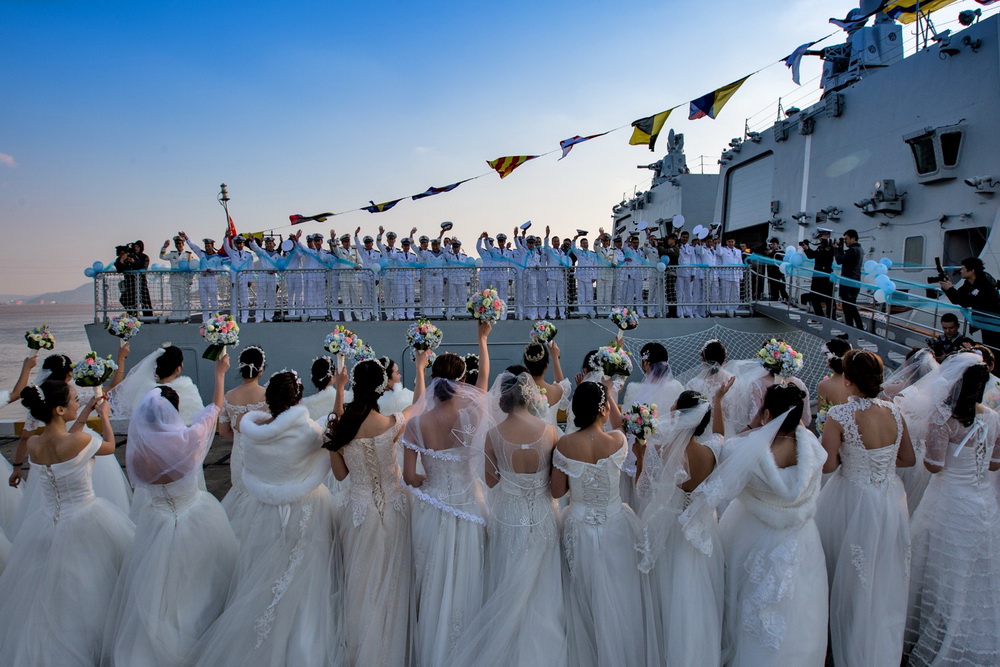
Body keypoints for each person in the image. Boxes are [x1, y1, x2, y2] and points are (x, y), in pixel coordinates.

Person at [190, 370, 344, 666]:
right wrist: (339, 391)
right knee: (308, 580)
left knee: (265, 575)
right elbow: (332, 437)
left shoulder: (253, 434)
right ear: (297, 399)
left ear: (269, 399)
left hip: (266, 511)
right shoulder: (308, 431)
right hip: (306, 509)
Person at [104, 354, 237, 667]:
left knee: (159, 590)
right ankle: (201, 633)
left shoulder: (138, 455)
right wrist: (219, 375)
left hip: (156, 521)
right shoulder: (188, 440)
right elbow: (214, 409)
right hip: (194, 517)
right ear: (174, 411)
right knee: (199, 582)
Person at [682, 383, 829, 665]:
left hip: (752, 534)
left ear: (767, 414)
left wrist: (749, 423)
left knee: (749, 602)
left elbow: (722, 460)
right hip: (801, 538)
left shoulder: (742, 451)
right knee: (800, 605)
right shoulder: (812, 448)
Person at [0, 380, 134, 665]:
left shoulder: (35, 444)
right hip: (85, 516)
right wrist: (104, 417)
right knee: (94, 582)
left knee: (51, 585)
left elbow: (66, 439)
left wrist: (85, 412)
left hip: (48, 520)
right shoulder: (80, 441)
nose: (78, 402)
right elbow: (109, 446)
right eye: (74, 399)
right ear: (59, 410)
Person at [450, 370, 567, 667]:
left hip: (508, 514)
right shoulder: (549, 431)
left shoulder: (493, 435)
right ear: (529, 397)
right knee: (544, 585)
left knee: (506, 576)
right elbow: (556, 486)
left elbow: (491, 481)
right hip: (542, 513)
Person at [815, 350, 915, 666]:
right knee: (883, 572)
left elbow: (827, 466)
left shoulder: (839, 415)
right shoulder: (895, 412)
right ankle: (878, 641)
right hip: (890, 499)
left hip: (851, 498)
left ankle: (842, 640)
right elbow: (908, 459)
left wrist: (852, 460)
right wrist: (880, 466)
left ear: (848, 380)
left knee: (845, 572)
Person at [325, 353, 426, 666]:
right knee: (396, 581)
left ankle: (363, 650)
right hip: (394, 508)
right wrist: (420, 368)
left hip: (359, 512)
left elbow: (340, 476)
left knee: (361, 585)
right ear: (381, 387)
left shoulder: (339, 428)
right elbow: (419, 404)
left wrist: (339, 391)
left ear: (355, 385)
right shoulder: (391, 424)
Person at [402, 324, 492, 666]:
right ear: (461, 381)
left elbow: (409, 477)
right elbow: (484, 380)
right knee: (467, 582)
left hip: (431, 509)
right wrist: (482, 338)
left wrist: (431, 479)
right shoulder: (473, 414)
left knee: (433, 584)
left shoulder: (416, 423)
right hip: (469, 505)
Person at [902, 355, 1000, 665]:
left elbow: (934, 465)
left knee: (940, 570)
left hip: (948, 502)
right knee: (974, 571)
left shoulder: (944, 418)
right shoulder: (994, 418)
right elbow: (995, 463)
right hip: (983, 504)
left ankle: (937, 629)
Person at [551, 380, 658, 665]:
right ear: (602, 410)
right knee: (622, 594)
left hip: (579, 525)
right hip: (616, 525)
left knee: (583, 595)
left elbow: (557, 491)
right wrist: (611, 394)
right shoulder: (618, 441)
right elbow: (620, 426)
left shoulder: (564, 444)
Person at [636, 387, 727, 666]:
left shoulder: (657, 450)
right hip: (700, 529)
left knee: (668, 592)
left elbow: (642, 491)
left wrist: (639, 456)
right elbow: (721, 436)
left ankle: (668, 651)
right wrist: (719, 402)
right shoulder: (712, 451)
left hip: (669, 528)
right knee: (698, 594)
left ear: (679, 415)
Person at [218, 346, 268, 543]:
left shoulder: (229, 396)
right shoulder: (268, 395)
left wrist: (240, 438)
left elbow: (223, 431)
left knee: (240, 495)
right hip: (261, 454)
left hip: (239, 455)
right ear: (261, 370)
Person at [940, 256, 1000, 353]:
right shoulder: (968, 283)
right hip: (984, 321)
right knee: (989, 346)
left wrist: (950, 289)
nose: (961, 271)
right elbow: (957, 299)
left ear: (972, 271)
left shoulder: (985, 283)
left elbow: (967, 301)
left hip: (994, 321)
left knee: (994, 346)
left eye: (963, 268)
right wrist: (947, 288)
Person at [684, 339, 735, 435]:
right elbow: (736, 411)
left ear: (703, 359)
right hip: (726, 430)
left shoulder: (693, 384)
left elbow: (688, 413)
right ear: (724, 359)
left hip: (703, 432)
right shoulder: (732, 380)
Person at [522, 340, 570, 429]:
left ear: (526, 366)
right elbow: (562, 384)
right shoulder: (557, 391)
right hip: (552, 435)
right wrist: (555, 358)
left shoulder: (519, 392)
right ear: (547, 365)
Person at [815, 336, 853, 434]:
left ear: (830, 359)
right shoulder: (855, 382)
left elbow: (821, 414)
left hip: (834, 430)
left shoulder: (824, 385)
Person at [181, 234, 223, 322]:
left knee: (213, 299)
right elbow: (194, 247)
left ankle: (215, 319)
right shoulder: (202, 254)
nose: (207, 248)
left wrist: (212, 270)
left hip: (211, 278)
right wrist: (186, 238)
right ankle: (205, 319)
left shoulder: (217, 257)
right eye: (206, 246)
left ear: (212, 246)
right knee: (203, 301)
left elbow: (220, 270)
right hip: (202, 278)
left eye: (208, 246)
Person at [801, 228, 835, 319]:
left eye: (821, 236)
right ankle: (819, 316)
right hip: (817, 274)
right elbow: (812, 255)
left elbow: (822, 256)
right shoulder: (821, 247)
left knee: (828, 298)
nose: (820, 238)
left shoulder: (829, 247)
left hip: (825, 274)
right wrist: (807, 249)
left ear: (827, 236)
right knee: (814, 296)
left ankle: (831, 318)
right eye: (819, 237)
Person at [834, 229, 864, 328]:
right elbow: (845, 259)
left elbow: (839, 260)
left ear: (853, 238)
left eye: (846, 239)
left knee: (848, 307)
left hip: (848, 283)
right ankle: (855, 328)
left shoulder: (852, 250)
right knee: (851, 306)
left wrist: (836, 249)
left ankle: (854, 328)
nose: (845, 241)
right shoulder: (859, 249)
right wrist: (840, 248)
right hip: (854, 282)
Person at [222, 235, 255, 323]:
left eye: (240, 243)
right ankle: (234, 318)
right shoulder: (232, 253)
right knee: (234, 299)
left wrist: (250, 280)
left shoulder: (248, 255)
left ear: (243, 244)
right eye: (237, 243)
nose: (239, 245)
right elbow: (226, 246)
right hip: (234, 277)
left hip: (244, 278)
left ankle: (244, 319)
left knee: (244, 299)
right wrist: (226, 236)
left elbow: (250, 268)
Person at [160, 235, 194, 319]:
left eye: (180, 243)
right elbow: (162, 256)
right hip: (174, 280)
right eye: (176, 244)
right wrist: (164, 247)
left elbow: (193, 267)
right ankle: (176, 318)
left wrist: (191, 279)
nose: (178, 245)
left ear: (183, 244)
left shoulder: (188, 255)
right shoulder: (172, 254)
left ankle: (184, 318)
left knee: (184, 300)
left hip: (183, 280)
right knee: (175, 300)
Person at [247, 235, 280, 322]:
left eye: (270, 243)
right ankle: (259, 317)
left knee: (271, 297)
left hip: (272, 276)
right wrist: (253, 241)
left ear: (274, 244)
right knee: (260, 297)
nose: (269, 245)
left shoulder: (277, 255)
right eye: (267, 243)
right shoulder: (262, 252)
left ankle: (269, 316)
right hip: (263, 275)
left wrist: (276, 270)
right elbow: (255, 248)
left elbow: (280, 266)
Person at [354, 228, 380, 321]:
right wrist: (356, 235)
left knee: (374, 297)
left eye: (369, 243)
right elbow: (357, 245)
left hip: (373, 277)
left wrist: (377, 278)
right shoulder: (363, 252)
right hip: (364, 277)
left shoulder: (377, 254)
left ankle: (375, 315)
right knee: (365, 297)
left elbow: (379, 266)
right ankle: (366, 315)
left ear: (372, 243)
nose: (367, 244)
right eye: (366, 243)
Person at [570, 234, 598, 317]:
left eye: (586, 243)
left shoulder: (592, 254)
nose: (585, 244)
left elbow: (596, 266)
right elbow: (573, 248)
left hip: (589, 277)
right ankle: (582, 313)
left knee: (589, 295)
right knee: (581, 295)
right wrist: (574, 239)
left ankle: (590, 312)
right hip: (581, 277)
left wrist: (595, 276)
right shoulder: (579, 253)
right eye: (584, 243)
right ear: (581, 245)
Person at [718, 236, 743, 317]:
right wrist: (718, 243)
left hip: (735, 275)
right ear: (726, 242)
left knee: (735, 294)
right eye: (729, 242)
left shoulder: (738, 251)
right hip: (726, 275)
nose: (731, 243)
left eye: (732, 241)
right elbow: (718, 252)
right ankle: (725, 311)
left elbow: (740, 263)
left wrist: (741, 276)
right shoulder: (723, 250)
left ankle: (735, 311)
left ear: (734, 242)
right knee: (725, 294)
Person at [594, 231, 617, 316]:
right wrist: (598, 238)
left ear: (609, 242)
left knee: (608, 296)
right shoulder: (599, 250)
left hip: (609, 275)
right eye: (603, 241)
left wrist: (614, 264)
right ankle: (600, 313)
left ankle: (607, 312)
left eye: (606, 241)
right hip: (601, 275)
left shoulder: (612, 251)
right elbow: (595, 245)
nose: (605, 242)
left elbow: (615, 261)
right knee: (600, 296)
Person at [132, 240, 154, 316]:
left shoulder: (145, 257)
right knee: (131, 301)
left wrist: (134, 262)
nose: (136, 248)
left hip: (142, 281)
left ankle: (148, 317)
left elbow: (143, 267)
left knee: (145, 300)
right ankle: (133, 317)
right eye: (135, 246)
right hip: (132, 282)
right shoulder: (131, 256)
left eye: (137, 247)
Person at [765, 237, 789, 302]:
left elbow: (780, 257)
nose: (772, 246)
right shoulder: (770, 252)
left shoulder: (781, 252)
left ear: (777, 244)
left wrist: (773, 252)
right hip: (771, 274)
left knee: (782, 289)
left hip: (779, 274)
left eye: (774, 244)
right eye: (771, 244)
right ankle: (774, 301)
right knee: (773, 291)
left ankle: (787, 301)